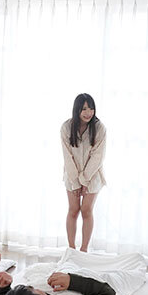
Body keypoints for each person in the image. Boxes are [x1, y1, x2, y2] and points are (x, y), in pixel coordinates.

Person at [61, 93, 106, 252]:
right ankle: (71, 249)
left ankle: (84, 250)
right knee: (73, 210)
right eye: (84, 109)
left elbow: (98, 156)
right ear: (77, 109)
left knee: (86, 210)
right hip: (71, 175)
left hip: (92, 176)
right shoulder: (66, 127)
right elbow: (67, 156)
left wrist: (84, 180)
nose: (88, 112)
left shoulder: (99, 128)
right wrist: (76, 181)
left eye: (91, 108)